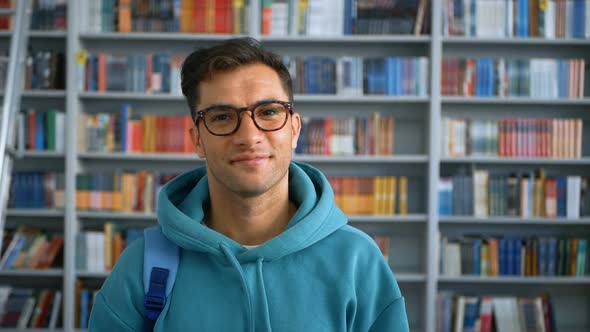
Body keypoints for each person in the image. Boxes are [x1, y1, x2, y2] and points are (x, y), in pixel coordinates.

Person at [89, 37, 409, 331]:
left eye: (269, 112)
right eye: (222, 116)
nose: (249, 136)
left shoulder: (357, 261)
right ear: (197, 140)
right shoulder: (144, 265)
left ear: (294, 129)